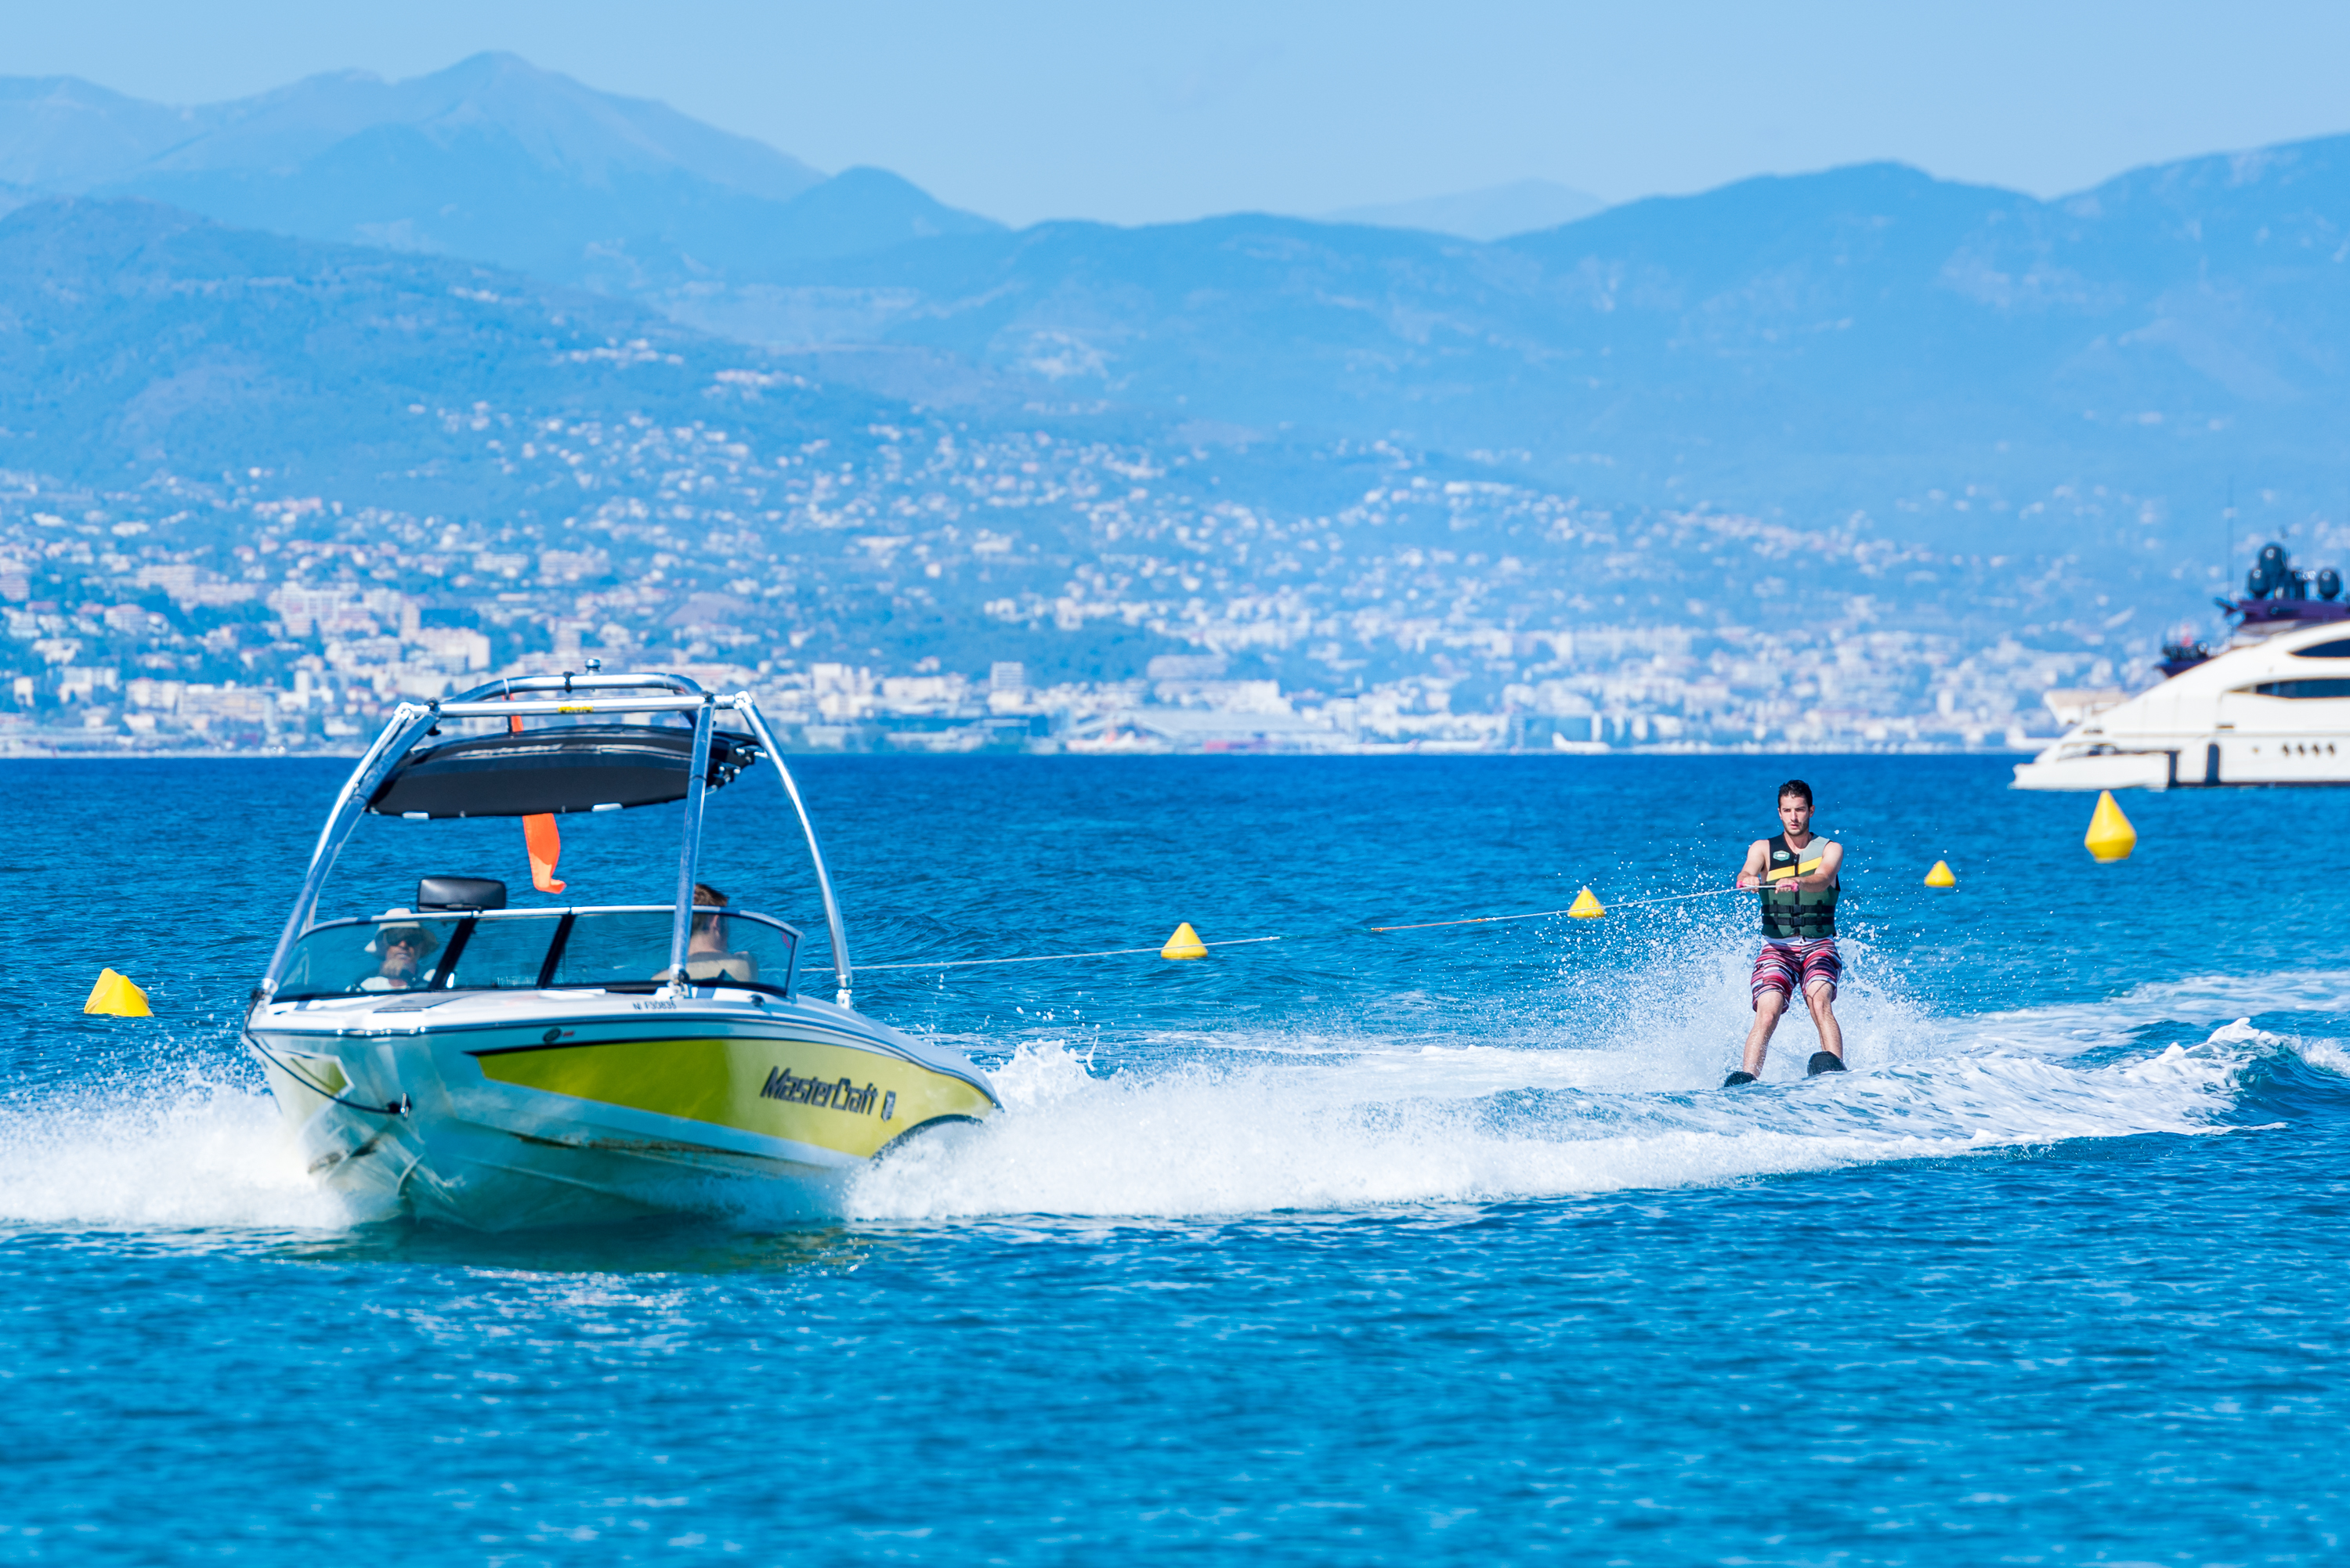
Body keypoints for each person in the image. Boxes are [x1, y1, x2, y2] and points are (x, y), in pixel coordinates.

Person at [1723, 779, 1846, 1086]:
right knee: (1768, 1010)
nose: (1794, 817)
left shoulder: (1831, 849)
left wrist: (1798, 882)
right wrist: (1748, 878)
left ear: (1811, 811)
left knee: (1819, 1000)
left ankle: (1834, 1067)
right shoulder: (1762, 848)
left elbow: (1823, 877)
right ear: (1779, 812)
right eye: (1788, 810)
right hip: (1776, 949)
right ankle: (1748, 1077)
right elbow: (1747, 870)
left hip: (1818, 944)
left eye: (1800, 810)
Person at [359, 918, 440, 992]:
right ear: (382, 946)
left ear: (421, 947)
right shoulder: (365, 987)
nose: (403, 945)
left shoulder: (437, 979)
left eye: (413, 938)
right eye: (395, 937)